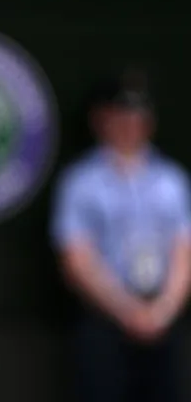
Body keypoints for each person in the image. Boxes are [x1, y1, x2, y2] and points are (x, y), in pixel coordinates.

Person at [50, 69, 191, 402]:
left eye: (138, 114)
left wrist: (161, 312)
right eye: (121, 114)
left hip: (163, 317)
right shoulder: (80, 182)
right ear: (101, 119)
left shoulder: (171, 180)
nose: (131, 123)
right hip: (105, 321)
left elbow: (183, 251)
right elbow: (76, 258)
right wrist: (127, 312)